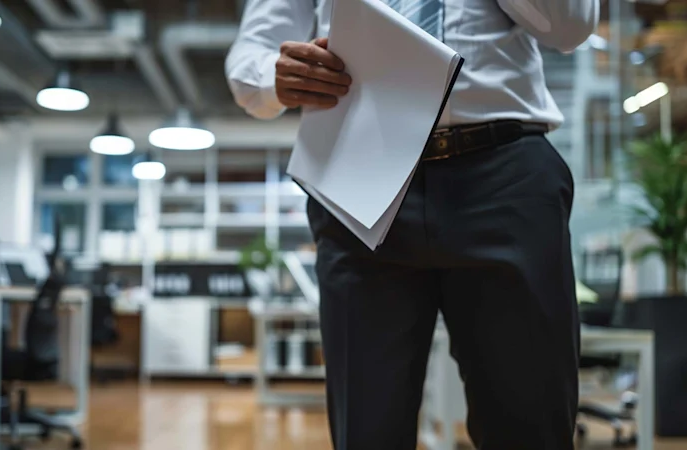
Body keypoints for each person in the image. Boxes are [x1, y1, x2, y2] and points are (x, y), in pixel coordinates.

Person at [225, 0, 598, 449]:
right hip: (358, 175)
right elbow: (251, 55)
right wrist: (274, 73)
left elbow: (570, 26)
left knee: (530, 427)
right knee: (366, 431)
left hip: (503, 173)